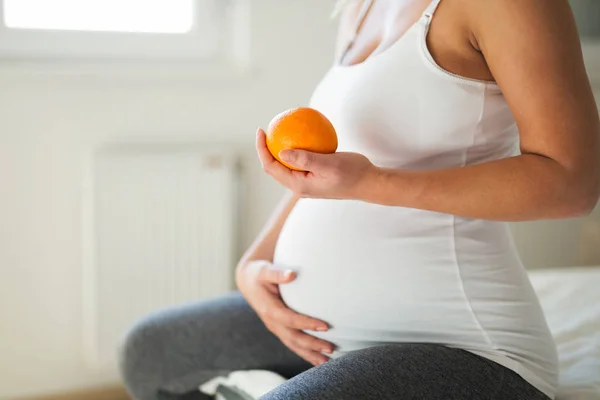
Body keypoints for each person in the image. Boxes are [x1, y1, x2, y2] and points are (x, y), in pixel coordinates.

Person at [119, 0, 600, 399]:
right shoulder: (361, 6)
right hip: (324, 333)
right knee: (152, 351)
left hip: (463, 346)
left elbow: (572, 185)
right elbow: (326, 171)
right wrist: (254, 263)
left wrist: (370, 183)